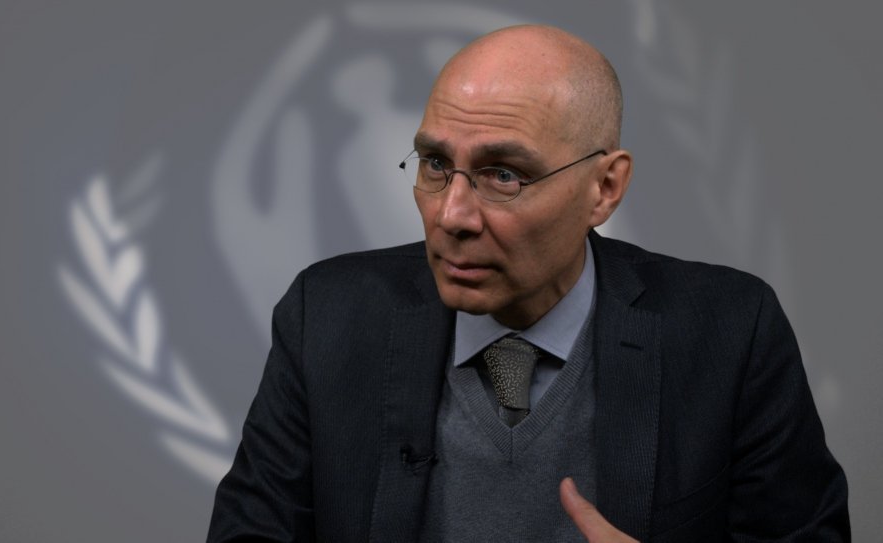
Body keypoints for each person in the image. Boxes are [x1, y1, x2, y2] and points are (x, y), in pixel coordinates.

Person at [207, 25, 849, 542]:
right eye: (435, 164)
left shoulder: (731, 331)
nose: (451, 215)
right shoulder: (327, 316)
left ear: (605, 187)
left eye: (504, 175)